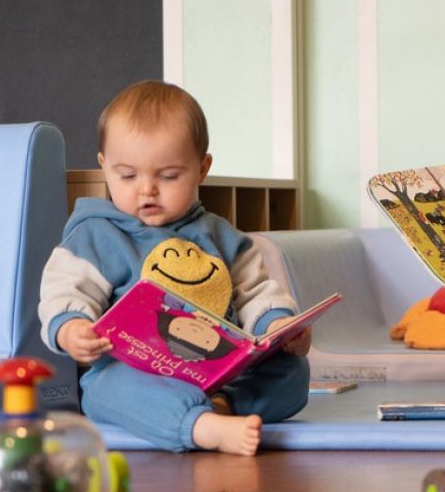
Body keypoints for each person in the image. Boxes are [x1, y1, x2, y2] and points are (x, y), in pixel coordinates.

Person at [39, 80, 310, 455]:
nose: (146, 189)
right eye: (127, 176)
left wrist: (279, 328)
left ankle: (222, 407)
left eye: (168, 176)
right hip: (139, 372)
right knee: (104, 390)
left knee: (293, 373)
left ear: (202, 168)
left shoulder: (222, 236)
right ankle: (199, 426)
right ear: (104, 166)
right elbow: (66, 289)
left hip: (217, 371)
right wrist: (72, 329)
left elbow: (256, 294)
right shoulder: (96, 235)